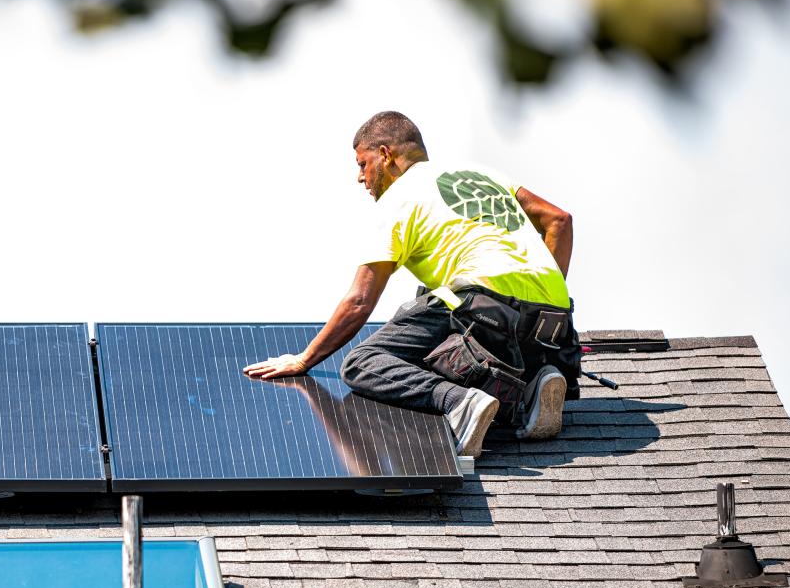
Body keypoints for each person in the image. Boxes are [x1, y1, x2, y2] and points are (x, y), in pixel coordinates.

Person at [244, 111, 577, 457]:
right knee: (441, 307)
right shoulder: (481, 175)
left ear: (385, 155)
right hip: (553, 324)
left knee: (363, 362)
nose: (360, 178)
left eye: (362, 164)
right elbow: (559, 220)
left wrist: (304, 359)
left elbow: (360, 301)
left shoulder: (400, 199)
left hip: (483, 304)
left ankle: (461, 403)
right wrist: (536, 304)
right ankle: (535, 384)